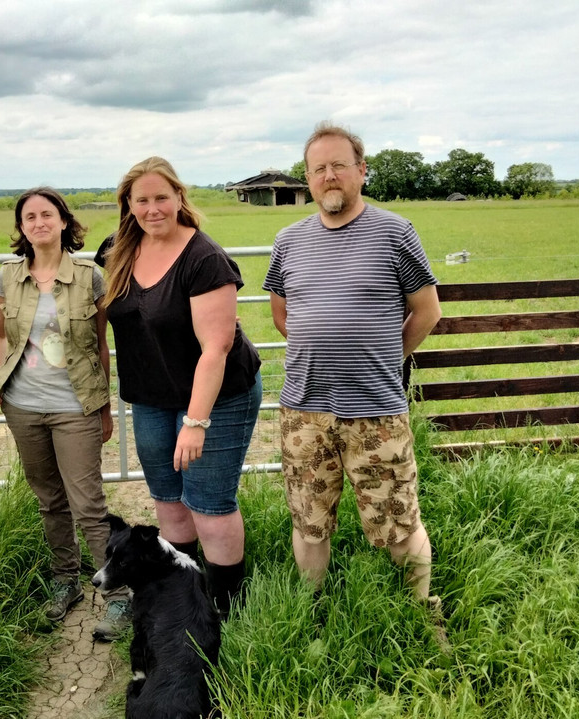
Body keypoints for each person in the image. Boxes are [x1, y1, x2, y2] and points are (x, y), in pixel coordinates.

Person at [263, 122, 443, 606]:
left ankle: (424, 613)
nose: (329, 176)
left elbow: (427, 311)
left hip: (376, 413)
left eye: (339, 165)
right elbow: (283, 313)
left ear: (361, 171)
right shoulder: (288, 241)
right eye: (318, 168)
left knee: (399, 522)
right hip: (304, 410)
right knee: (310, 521)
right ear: (308, 179)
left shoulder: (395, 232)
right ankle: (312, 611)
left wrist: (384, 356)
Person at [102, 157, 262, 619]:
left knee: (209, 504)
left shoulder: (204, 258)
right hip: (151, 396)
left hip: (217, 396)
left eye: (161, 198)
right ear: (128, 206)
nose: (153, 209)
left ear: (179, 199)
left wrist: (195, 423)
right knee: (169, 503)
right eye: (142, 200)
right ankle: (181, 598)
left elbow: (217, 347)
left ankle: (225, 610)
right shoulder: (116, 251)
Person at [0, 187, 131, 642]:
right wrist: (1, 380)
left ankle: (119, 595)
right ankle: (64, 578)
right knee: (49, 499)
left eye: (47, 214)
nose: (38, 222)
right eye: (29, 216)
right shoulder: (6, 277)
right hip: (24, 407)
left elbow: (100, 345)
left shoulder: (91, 277)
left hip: (76, 407)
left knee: (88, 504)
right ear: (22, 227)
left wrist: (104, 407)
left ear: (64, 223)